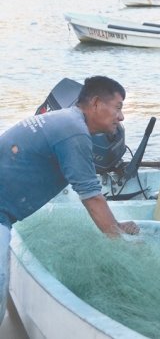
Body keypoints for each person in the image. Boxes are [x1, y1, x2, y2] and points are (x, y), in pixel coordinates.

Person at [0, 76, 139, 323]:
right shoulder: (74, 133)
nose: (121, 117)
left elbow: (91, 194)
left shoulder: (66, 121)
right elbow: (92, 197)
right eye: (118, 107)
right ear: (96, 103)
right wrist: (121, 243)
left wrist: (116, 226)